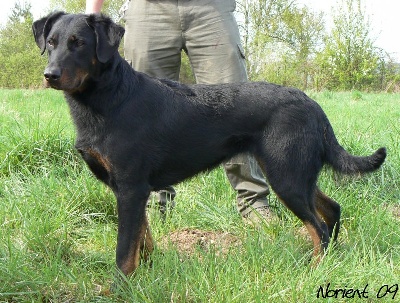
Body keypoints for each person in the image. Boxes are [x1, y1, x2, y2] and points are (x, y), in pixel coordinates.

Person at [85, 0, 273, 224]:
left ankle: (254, 201)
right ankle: (154, 203)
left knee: (238, 106)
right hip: (148, 10)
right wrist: (91, 18)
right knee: (140, 112)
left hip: (210, 8)